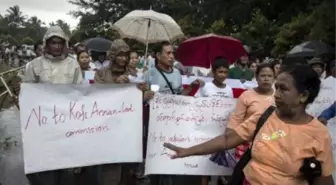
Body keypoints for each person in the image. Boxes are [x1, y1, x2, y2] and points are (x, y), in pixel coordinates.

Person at [164, 64, 334, 185]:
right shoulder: (266, 116)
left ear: (303, 96)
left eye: (283, 89)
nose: (277, 94)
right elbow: (226, 140)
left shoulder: (318, 134)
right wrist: (188, 151)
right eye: (277, 88)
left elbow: (324, 179)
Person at [24, 26, 83, 185]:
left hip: (66, 122)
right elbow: (27, 93)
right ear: (46, 44)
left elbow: (79, 91)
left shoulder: (73, 65)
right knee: (46, 165)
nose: (56, 46)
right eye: (53, 42)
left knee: (64, 165)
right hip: (43, 124)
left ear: (65, 44)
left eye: (59, 42)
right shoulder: (34, 65)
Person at [142, 41, 202, 185]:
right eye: (168, 53)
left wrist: (190, 89)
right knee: (156, 154)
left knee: (170, 153)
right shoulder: (149, 74)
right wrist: (145, 96)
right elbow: (141, 97)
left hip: (174, 121)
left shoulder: (177, 73)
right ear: (158, 55)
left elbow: (179, 95)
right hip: (155, 122)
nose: (171, 56)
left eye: (173, 53)